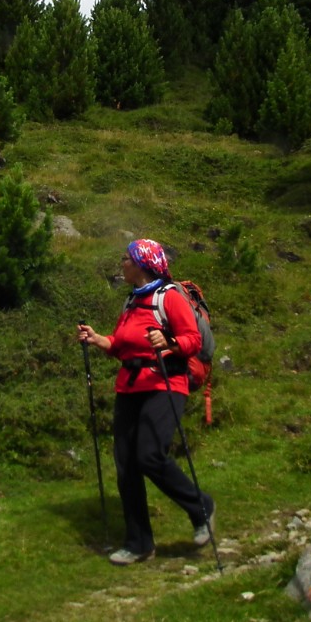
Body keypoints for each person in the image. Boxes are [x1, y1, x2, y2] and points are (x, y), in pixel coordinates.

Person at [76, 239, 215, 565]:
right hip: (129, 387)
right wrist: (99, 340)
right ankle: (139, 543)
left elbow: (193, 340)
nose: (121, 263)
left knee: (150, 455)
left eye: (126, 258)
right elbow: (122, 346)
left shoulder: (169, 296)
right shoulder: (132, 301)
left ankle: (201, 507)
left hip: (165, 383)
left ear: (141, 263)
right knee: (126, 465)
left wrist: (167, 341)